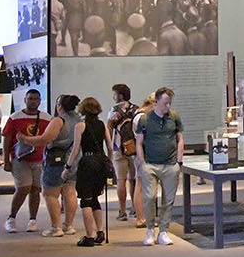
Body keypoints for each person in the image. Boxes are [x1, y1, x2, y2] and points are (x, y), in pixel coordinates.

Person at [25, 94, 82, 237]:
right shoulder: (78, 119)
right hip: (73, 160)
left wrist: (25, 139)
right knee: (70, 191)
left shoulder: (58, 120)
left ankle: (56, 227)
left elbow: (44, 139)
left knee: (50, 193)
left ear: (59, 106)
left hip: (56, 161)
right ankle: (68, 225)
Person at [135, 86, 184, 246]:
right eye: (165, 103)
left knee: (168, 201)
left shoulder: (174, 117)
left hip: (170, 165)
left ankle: (163, 231)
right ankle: (150, 229)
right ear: (156, 102)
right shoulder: (145, 119)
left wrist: (179, 161)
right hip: (150, 164)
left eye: (169, 103)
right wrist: (142, 162)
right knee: (149, 197)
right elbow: (139, 142)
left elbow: (180, 139)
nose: (168, 106)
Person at [1, 89, 49, 234]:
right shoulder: (15, 117)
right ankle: (11, 218)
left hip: (40, 159)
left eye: (36, 99)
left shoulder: (46, 118)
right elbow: (7, 139)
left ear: (40, 101)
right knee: (23, 188)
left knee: (35, 189)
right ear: (25, 100)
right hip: (20, 159)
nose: (33, 102)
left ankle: (32, 220)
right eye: (30, 99)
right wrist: (6, 160)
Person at [72, 97, 111, 247]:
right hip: (100, 162)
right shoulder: (102, 125)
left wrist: (68, 167)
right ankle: (100, 232)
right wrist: (109, 161)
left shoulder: (80, 125)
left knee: (86, 199)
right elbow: (109, 146)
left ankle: (89, 236)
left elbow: (76, 149)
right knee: (95, 198)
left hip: (87, 162)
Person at [107, 84, 143, 226]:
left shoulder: (113, 110)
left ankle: (122, 211)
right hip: (133, 148)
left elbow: (109, 129)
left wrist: (109, 149)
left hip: (119, 148)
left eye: (115, 94)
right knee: (133, 179)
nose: (113, 97)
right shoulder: (136, 109)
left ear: (120, 95)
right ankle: (135, 208)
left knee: (121, 180)